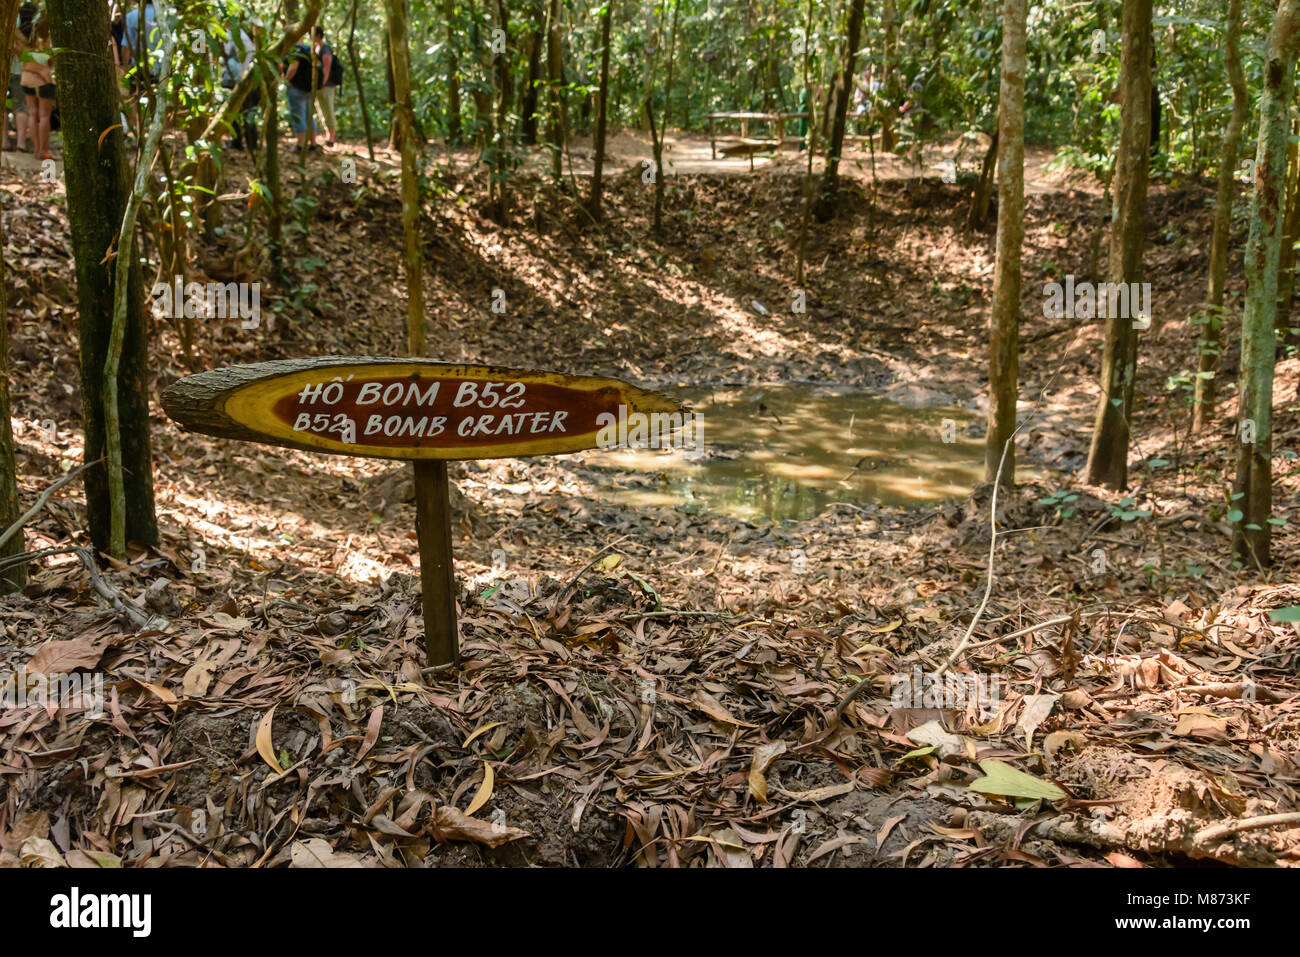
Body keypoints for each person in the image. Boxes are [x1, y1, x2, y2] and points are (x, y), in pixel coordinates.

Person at [17, 5, 54, 160]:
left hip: (27, 78)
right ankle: (43, 150)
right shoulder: (46, 40)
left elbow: (21, 57)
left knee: (32, 113)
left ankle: (37, 149)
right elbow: (50, 61)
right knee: (44, 115)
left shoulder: (25, 39)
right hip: (44, 79)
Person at [221, 24, 258, 152]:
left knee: (233, 113)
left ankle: (237, 142)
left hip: (232, 81)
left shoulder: (228, 37)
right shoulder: (247, 38)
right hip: (248, 79)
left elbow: (222, 58)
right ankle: (252, 143)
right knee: (249, 113)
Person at [281, 42, 316, 153]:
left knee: (298, 116)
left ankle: (300, 145)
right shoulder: (307, 48)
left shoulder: (295, 50)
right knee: (308, 115)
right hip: (308, 88)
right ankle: (313, 143)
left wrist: (285, 81)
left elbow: (293, 68)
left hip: (296, 88)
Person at [312, 25, 341, 148]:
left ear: (318, 36)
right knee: (321, 110)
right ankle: (327, 135)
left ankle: (331, 137)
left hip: (326, 86)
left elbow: (326, 68)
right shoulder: (317, 48)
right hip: (320, 86)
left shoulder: (325, 49)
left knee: (328, 110)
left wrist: (323, 83)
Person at [6, 7, 30, 152]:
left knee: (12, 106)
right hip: (17, 68)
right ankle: (20, 144)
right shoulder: (16, 13)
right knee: (21, 106)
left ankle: (7, 143)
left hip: (16, 68)